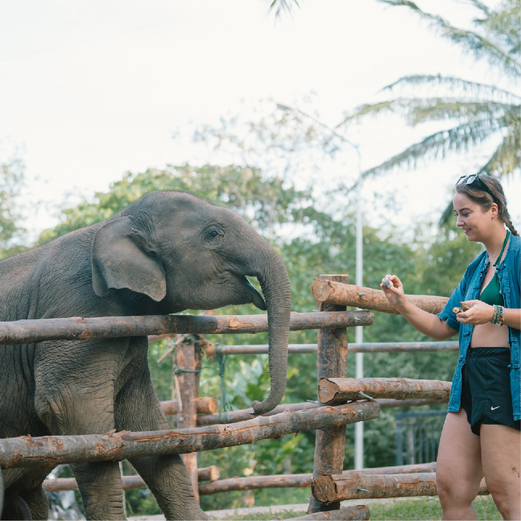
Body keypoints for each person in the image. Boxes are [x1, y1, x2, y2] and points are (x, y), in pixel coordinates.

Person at [380, 173, 520, 520]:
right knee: (451, 488)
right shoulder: (475, 269)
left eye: (466, 212)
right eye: (457, 214)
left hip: (505, 379)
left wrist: (496, 313)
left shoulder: (518, 257)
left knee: (508, 495)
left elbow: (496, 316)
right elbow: (443, 326)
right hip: (469, 378)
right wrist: (401, 302)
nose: (459, 222)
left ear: (493, 209)